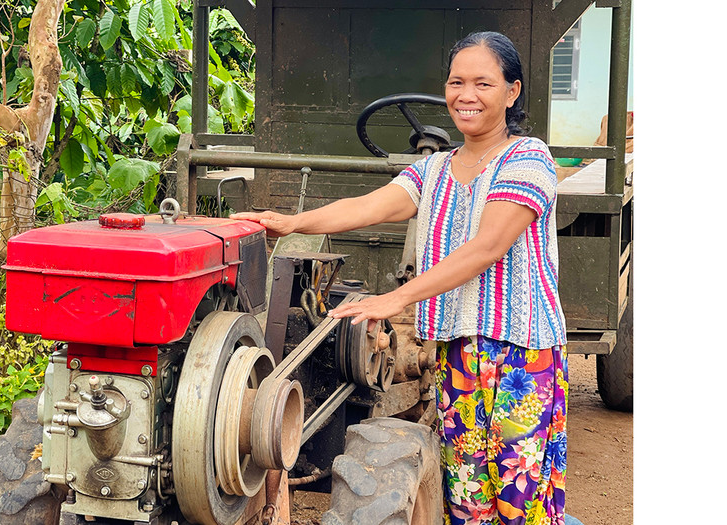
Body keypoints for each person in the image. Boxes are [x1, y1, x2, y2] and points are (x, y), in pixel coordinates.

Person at [232, 31, 571, 525]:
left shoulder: (528, 158)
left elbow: (488, 247)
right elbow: (368, 206)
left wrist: (397, 299)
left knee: (520, 499)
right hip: (458, 350)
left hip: (521, 354)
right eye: (456, 82)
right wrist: (291, 222)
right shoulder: (433, 169)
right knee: (468, 494)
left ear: (511, 92)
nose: (467, 95)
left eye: (483, 83)